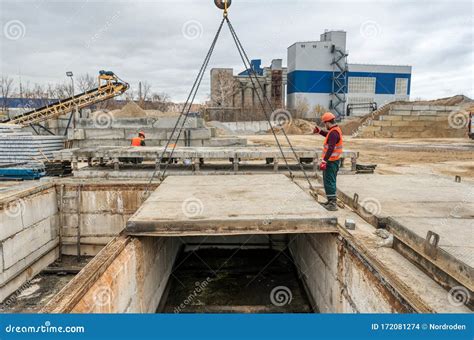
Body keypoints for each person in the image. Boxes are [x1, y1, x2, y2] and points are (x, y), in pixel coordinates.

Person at [313, 112, 344, 211]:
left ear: (327, 122)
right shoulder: (334, 131)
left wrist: (324, 161)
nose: (324, 125)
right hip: (333, 161)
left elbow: (331, 148)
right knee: (330, 181)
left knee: (329, 181)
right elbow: (328, 136)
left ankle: (332, 203)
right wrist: (319, 131)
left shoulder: (334, 133)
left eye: (324, 123)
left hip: (331, 162)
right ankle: (330, 200)